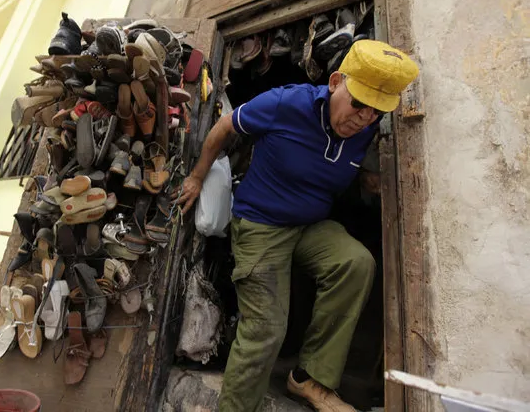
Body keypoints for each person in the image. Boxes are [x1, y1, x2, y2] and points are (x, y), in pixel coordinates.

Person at [176, 40, 419, 411]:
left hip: (309, 224)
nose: (364, 117)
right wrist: (196, 176)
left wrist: (366, 178)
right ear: (336, 82)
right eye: (358, 104)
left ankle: (309, 379)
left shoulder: (365, 129)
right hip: (260, 224)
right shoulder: (287, 104)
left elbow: (330, 164)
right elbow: (225, 127)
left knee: (355, 263)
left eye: (375, 112)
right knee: (266, 327)